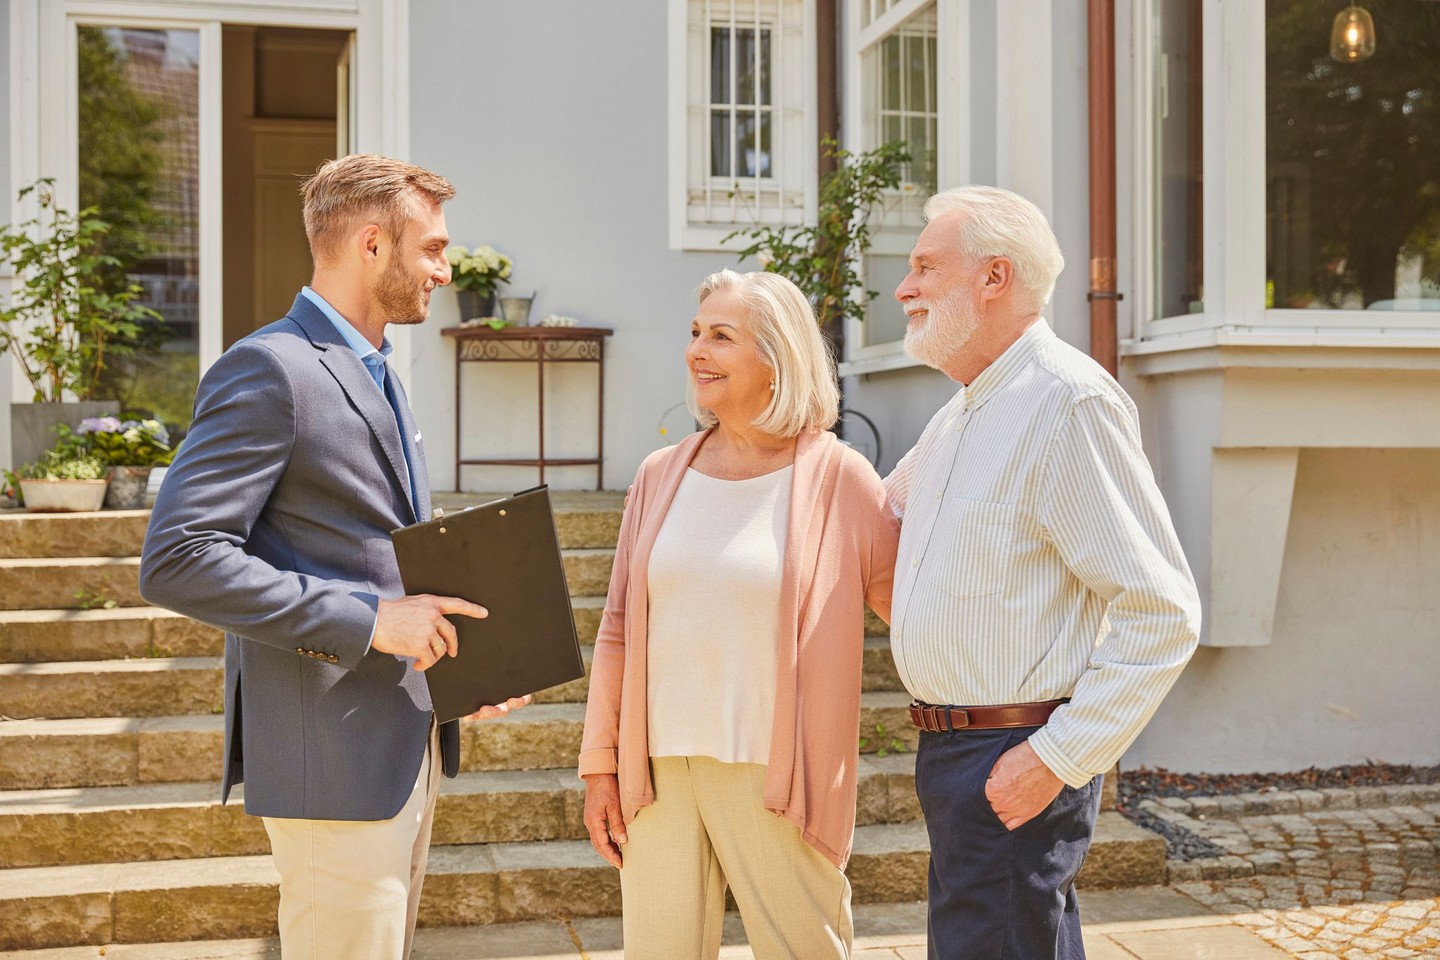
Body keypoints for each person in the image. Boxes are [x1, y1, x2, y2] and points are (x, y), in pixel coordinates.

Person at [139, 154, 529, 960]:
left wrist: (468, 668)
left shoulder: (377, 370)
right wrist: (370, 619)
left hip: (402, 737)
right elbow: (178, 555)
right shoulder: (271, 368)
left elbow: (382, 550)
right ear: (373, 245)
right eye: (432, 249)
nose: (445, 270)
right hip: (333, 759)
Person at [884, 185, 1201, 960]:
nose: (904, 288)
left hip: (1011, 753)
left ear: (995, 278)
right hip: (955, 753)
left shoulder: (1066, 401)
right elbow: (876, 520)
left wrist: (1055, 759)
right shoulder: (961, 412)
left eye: (926, 266)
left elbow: (1163, 610)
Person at [579, 269, 899, 959]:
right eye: (695, 333)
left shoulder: (840, 480)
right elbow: (616, 631)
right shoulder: (660, 474)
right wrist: (600, 767)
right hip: (659, 778)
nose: (697, 351)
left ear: (778, 358)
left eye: (722, 337)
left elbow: (914, 611)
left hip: (777, 780)